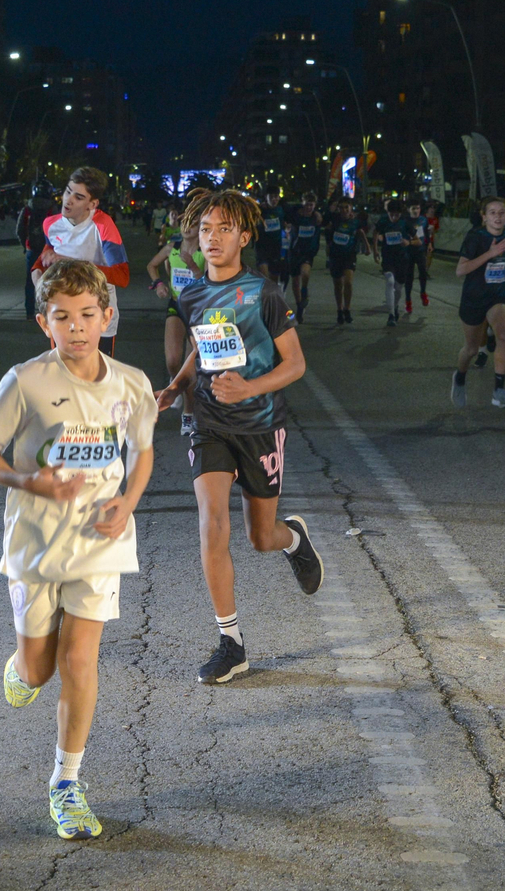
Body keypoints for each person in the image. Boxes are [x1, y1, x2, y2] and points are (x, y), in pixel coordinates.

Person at [0, 259, 157, 840]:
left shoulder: (132, 383)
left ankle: (66, 783)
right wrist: (30, 481)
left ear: (107, 316)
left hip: (99, 540)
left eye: (87, 315)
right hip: (35, 540)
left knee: (80, 659)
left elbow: (142, 450)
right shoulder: (25, 381)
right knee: (40, 669)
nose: (76, 327)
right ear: (43, 323)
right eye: (62, 317)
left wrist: (128, 501)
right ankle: (21, 667)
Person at [153, 187, 321, 686]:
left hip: (259, 424)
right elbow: (200, 349)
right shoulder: (191, 294)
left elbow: (295, 363)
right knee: (212, 525)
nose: (212, 238)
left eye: (224, 229)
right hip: (206, 421)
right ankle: (232, 643)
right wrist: (177, 386)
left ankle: (293, 538)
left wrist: (249, 386)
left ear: (244, 236)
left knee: (260, 537)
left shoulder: (264, 294)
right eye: (205, 229)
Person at [33, 168, 131, 357]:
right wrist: (36, 271)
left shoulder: (103, 225)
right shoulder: (50, 224)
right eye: (68, 191)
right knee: (63, 374)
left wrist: (70, 263)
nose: (68, 200)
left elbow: (122, 276)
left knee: (96, 376)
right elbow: (46, 256)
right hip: (63, 319)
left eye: (78, 197)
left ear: (92, 204)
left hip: (97, 322)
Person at [452, 195, 505, 409]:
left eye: (501, 212)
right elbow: (460, 270)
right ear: (484, 217)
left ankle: (499, 390)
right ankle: (459, 377)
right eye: (492, 213)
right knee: (471, 349)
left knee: (504, 334)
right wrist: (490, 253)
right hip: (473, 297)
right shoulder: (475, 237)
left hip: (497, 295)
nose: (497, 217)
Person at [144, 215, 206, 436]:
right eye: (185, 223)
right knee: (172, 361)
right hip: (176, 306)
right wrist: (159, 283)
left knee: (191, 369)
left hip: (197, 311)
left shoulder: (204, 251)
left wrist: (193, 267)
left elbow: (210, 280)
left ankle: (188, 414)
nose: (188, 228)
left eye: (193, 224)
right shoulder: (172, 248)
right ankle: (175, 382)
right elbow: (152, 265)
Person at [374, 198, 416, 326]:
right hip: (388, 258)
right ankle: (391, 315)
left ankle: (395, 306)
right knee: (390, 282)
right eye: (391, 214)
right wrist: (375, 250)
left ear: (400, 214)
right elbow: (375, 232)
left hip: (402, 259)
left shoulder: (405, 223)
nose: (393, 217)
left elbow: (419, 241)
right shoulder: (383, 221)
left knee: (398, 288)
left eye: (396, 215)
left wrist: (409, 242)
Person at [17, 186, 56, 320]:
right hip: (49, 249)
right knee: (50, 279)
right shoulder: (52, 208)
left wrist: (25, 245)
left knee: (30, 280)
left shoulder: (27, 209)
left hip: (31, 248)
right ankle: (49, 310)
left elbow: (19, 229)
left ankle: (29, 311)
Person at [325, 199, 365, 324]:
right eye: (341, 207)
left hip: (349, 256)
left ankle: (347, 309)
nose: (344, 210)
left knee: (348, 282)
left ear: (351, 208)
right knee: (338, 284)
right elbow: (325, 228)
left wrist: (368, 246)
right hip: (335, 255)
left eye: (347, 207)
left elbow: (361, 232)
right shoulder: (334, 220)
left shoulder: (355, 221)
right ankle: (339, 309)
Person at [285, 192, 323, 322]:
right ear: (302, 203)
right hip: (294, 251)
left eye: (311, 205)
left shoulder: (316, 218)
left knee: (305, 273)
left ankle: (305, 290)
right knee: (295, 280)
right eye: (306, 204)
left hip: (308, 253)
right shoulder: (296, 215)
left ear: (315, 205)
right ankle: (299, 306)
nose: (309, 207)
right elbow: (286, 209)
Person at [254, 188, 286, 283]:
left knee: (274, 280)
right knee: (264, 278)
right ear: (266, 197)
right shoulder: (259, 210)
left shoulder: (282, 209)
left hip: (276, 249)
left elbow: (298, 209)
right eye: (271, 197)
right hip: (262, 249)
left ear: (279, 197)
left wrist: (316, 214)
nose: (273, 199)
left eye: (275, 197)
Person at [406, 197, 432, 310]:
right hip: (408, 251)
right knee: (409, 277)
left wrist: (429, 244)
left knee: (423, 272)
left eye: (417, 208)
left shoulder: (423, 220)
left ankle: (423, 293)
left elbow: (426, 233)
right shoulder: (405, 221)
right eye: (413, 208)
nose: (416, 211)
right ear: (408, 209)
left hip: (420, 251)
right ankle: (408, 300)